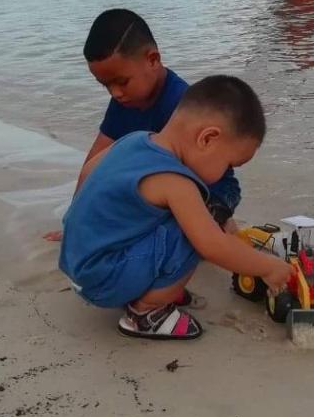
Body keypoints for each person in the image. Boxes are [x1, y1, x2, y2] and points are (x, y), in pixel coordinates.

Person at [59, 75, 289, 339]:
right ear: (208, 139)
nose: (226, 173)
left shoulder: (136, 140)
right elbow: (212, 246)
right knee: (200, 227)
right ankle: (146, 312)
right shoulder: (175, 181)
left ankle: (145, 286)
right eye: (229, 164)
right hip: (103, 281)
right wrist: (268, 267)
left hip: (77, 263)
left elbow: (89, 172)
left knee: (180, 221)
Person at [42, 9, 243, 240]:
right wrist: (74, 221)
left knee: (183, 236)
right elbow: (96, 161)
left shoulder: (183, 106)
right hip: (165, 183)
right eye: (105, 85)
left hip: (213, 189)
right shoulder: (124, 101)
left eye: (121, 82)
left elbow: (205, 174)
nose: (115, 93)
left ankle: (225, 228)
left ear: (153, 60)